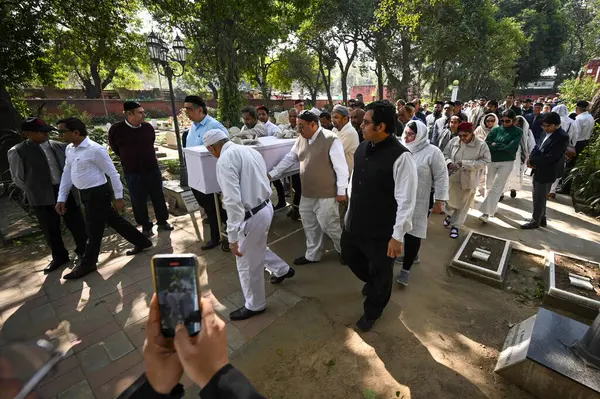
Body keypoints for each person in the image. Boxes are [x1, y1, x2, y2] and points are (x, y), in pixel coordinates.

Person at [203, 129, 294, 320]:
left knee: (246, 262)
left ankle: (255, 305)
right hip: (264, 208)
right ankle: (283, 269)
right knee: (256, 247)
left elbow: (232, 202)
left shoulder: (225, 161)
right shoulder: (249, 151)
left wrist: (232, 237)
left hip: (250, 215)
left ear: (212, 148)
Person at [342, 100, 417, 332]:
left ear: (381, 127)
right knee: (349, 256)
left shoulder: (401, 158)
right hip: (355, 223)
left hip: (382, 231)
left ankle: (373, 311)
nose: (360, 126)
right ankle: (372, 281)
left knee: (382, 273)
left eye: (365, 122)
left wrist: (397, 236)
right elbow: (355, 181)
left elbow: (406, 200)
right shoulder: (364, 147)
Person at [55, 117, 152, 279]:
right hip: (85, 194)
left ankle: (88, 263)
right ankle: (143, 242)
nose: (60, 136)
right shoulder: (69, 149)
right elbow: (67, 173)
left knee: (93, 230)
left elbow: (113, 173)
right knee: (114, 221)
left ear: (76, 132)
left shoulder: (95, 150)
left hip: (98, 194)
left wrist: (119, 197)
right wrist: (61, 198)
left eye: (62, 132)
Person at [8, 117, 87, 274]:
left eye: (46, 131)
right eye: (40, 132)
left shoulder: (60, 146)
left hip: (64, 191)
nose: (45, 135)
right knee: (50, 228)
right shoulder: (18, 151)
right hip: (40, 195)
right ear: (27, 134)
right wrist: (36, 188)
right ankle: (59, 256)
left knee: (76, 223)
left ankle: (84, 251)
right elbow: (18, 178)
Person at [269, 110, 349, 265]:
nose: (298, 129)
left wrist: (341, 191)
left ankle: (344, 251)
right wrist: (272, 174)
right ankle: (313, 255)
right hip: (307, 193)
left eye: (301, 126)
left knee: (330, 226)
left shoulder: (330, 139)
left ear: (313, 124)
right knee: (309, 225)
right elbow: (290, 158)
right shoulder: (301, 138)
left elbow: (341, 168)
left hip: (327, 193)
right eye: (298, 126)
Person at [109, 101, 173, 237]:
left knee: (158, 197)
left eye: (143, 112)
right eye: (140, 112)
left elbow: (151, 142)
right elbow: (115, 148)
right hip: (132, 172)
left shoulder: (147, 128)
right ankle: (145, 226)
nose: (144, 115)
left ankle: (162, 221)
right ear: (129, 114)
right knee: (138, 200)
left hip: (152, 170)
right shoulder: (116, 130)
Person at [396, 120, 448, 286]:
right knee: (398, 229)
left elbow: (441, 176)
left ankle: (406, 269)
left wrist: (440, 200)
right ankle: (411, 255)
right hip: (398, 198)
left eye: (411, 134)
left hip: (420, 200)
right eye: (406, 133)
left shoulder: (432, 152)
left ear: (420, 135)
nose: (407, 137)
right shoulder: (399, 147)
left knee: (413, 232)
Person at [183, 95, 229, 250]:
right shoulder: (193, 127)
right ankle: (229, 221)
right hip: (196, 175)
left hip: (210, 175)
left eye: (188, 109)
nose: (186, 112)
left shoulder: (214, 126)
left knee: (212, 206)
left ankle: (216, 237)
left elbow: (225, 149)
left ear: (200, 109)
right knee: (206, 205)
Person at [521, 112, 569, 229]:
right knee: (538, 195)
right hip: (538, 168)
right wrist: (531, 159)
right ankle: (541, 218)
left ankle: (535, 221)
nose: (545, 128)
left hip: (548, 170)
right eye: (543, 126)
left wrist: (534, 162)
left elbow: (551, 157)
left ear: (556, 125)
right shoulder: (545, 132)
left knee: (539, 197)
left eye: (548, 126)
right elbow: (537, 146)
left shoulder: (562, 137)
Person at [444, 122, 491, 238]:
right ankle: (450, 215)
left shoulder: (481, 145)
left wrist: (466, 164)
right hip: (453, 177)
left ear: (471, 133)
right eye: (460, 135)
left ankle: (456, 226)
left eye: (465, 135)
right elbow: (445, 154)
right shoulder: (454, 141)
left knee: (464, 204)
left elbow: (486, 161)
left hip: (469, 178)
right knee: (449, 200)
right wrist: (449, 163)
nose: (462, 138)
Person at [478, 110, 523, 223]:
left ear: (514, 120)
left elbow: (512, 148)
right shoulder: (496, 129)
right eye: (503, 120)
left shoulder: (518, 132)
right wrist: (502, 146)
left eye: (508, 121)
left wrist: (496, 145)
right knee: (488, 185)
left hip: (507, 162)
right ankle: (492, 208)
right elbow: (487, 144)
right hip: (492, 161)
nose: (505, 123)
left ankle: (486, 213)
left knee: (497, 187)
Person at [549, 104, 580, 197]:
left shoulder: (553, 121)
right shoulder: (573, 122)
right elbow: (575, 137)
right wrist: (572, 146)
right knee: (559, 166)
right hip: (565, 148)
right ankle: (552, 190)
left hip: (552, 146)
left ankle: (547, 187)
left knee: (549, 166)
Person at [503, 115, 536, 199]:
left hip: (520, 157)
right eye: (515, 122)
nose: (516, 125)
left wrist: (530, 156)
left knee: (516, 174)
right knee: (504, 174)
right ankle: (501, 193)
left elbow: (531, 145)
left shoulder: (528, 132)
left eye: (518, 123)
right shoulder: (507, 130)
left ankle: (513, 189)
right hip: (507, 156)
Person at [473, 113, 498, 196]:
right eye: (488, 121)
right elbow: (473, 138)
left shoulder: (498, 129)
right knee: (479, 172)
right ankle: (479, 188)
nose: (490, 123)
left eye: (492, 121)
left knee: (490, 174)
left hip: (492, 155)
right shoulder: (479, 129)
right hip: (479, 154)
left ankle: (489, 190)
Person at [331, 105, 360, 173]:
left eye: (336, 117)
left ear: (345, 119)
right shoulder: (335, 129)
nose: (333, 120)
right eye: (332, 117)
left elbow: (334, 151)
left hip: (347, 173)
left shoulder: (350, 132)